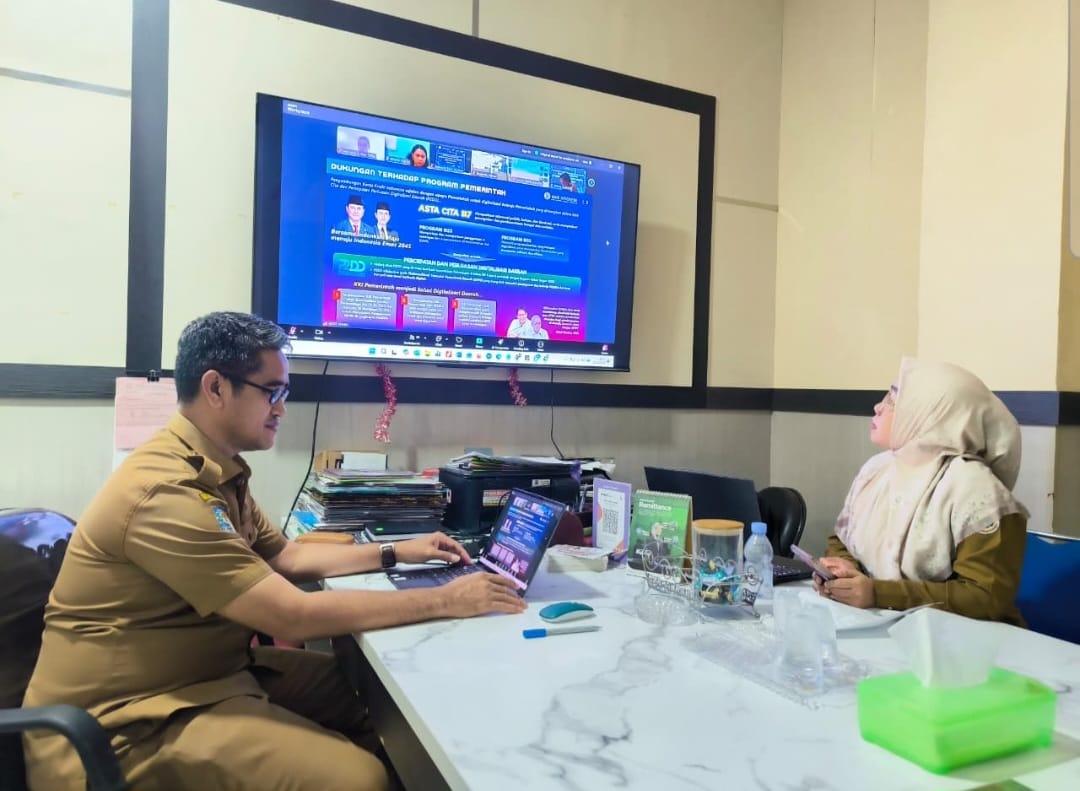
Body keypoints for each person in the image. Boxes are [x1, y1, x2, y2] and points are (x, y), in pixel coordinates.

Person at [22, 311, 525, 791]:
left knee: (369, 693)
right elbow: (292, 617)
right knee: (357, 779)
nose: (282, 409)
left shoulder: (214, 468)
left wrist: (397, 551)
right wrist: (446, 599)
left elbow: (288, 557)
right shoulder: (164, 491)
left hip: (206, 675)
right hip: (127, 722)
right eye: (272, 392)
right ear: (216, 388)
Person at [815, 358, 1029, 625]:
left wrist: (877, 593)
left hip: (966, 641)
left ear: (931, 414)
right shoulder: (876, 470)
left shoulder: (979, 493)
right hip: (886, 626)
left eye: (893, 401)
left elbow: (984, 597)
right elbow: (842, 540)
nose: (878, 407)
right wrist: (845, 568)